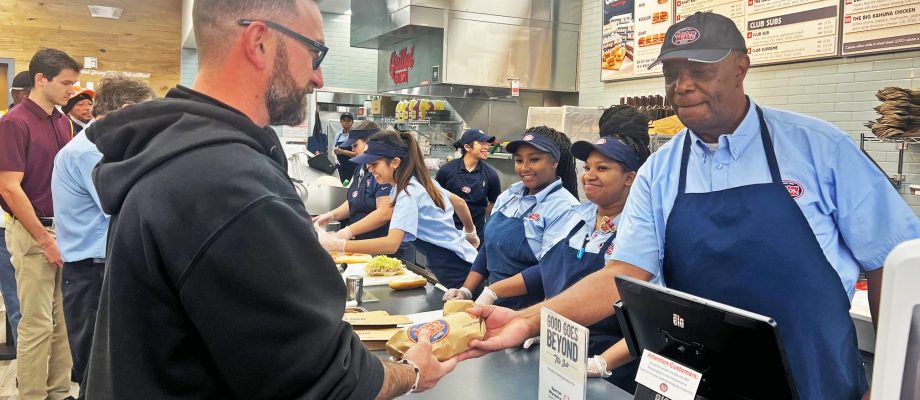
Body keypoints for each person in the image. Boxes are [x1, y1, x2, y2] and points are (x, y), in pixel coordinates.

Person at [459, 12, 920, 400]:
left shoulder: (818, 149)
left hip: (811, 376)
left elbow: (892, 264)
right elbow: (622, 275)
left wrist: (894, 383)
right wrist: (523, 321)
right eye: (672, 73)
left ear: (741, 67)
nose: (681, 85)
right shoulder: (662, 171)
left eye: (699, 70)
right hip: (698, 381)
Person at [84, 1, 456, 398]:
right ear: (259, 41)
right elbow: (324, 380)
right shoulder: (229, 184)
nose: (318, 77)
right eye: (315, 53)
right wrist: (411, 372)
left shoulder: (177, 153)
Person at [51, 74, 156, 400]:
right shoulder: (90, 153)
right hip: (91, 275)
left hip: (102, 270)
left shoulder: (103, 148)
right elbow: (125, 205)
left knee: (116, 373)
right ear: (126, 110)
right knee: (99, 378)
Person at [0, 48, 78, 400]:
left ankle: (59, 392)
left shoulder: (63, 121)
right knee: (36, 323)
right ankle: (31, 394)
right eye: (65, 83)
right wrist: (45, 239)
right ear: (40, 79)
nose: (72, 90)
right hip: (34, 233)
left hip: (65, 230)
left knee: (63, 322)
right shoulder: (15, 122)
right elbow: (8, 187)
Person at [316, 130, 480, 288]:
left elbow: (391, 243)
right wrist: (470, 232)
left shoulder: (408, 193)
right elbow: (459, 203)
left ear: (395, 162)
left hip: (458, 269)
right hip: (464, 262)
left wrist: (339, 245)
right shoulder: (420, 182)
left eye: (374, 164)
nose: (370, 170)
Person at [443, 127, 579, 310]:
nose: (524, 168)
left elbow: (549, 269)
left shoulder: (565, 208)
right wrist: (466, 290)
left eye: (534, 159)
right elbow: (488, 249)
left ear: (554, 162)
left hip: (529, 311)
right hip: (493, 305)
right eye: (519, 160)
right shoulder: (509, 196)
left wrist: (493, 292)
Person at [313, 121, 415, 262]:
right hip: (365, 250)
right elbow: (355, 200)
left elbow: (385, 215)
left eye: (356, 145)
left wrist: (343, 238)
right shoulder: (362, 169)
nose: (352, 150)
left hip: (386, 255)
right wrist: (331, 216)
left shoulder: (397, 184)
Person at [0, 70, 33, 345]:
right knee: (18, 302)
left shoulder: (48, 123)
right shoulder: (7, 123)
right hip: (7, 224)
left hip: (31, 220)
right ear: (17, 94)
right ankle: (27, 368)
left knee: (36, 308)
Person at [435, 129, 501, 245]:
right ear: (467, 147)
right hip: (448, 230)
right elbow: (435, 197)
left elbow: (494, 203)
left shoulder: (491, 174)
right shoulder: (447, 170)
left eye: (487, 143)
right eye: (481, 143)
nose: (486, 147)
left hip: (476, 233)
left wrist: (476, 212)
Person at [333, 112, 358, 181]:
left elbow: (358, 154)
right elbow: (334, 149)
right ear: (341, 122)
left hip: (353, 168)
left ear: (352, 122)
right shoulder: (338, 135)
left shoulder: (355, 136)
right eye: (344, 120)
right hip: (340, 168)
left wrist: (343, 152)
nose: (346, 123)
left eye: (349, 121)